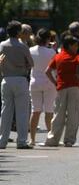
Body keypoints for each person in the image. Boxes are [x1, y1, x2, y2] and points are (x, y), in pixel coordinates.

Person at [44, 35, 79, 147]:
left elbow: (47, 71)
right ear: (69, 46)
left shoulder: (58, 57)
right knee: (73, 114)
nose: (77, 47)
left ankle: (53, 140)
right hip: (74, 87)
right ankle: (69, 140)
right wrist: (77, 76)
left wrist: (55, 82)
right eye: (75, 45)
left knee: (58, 114)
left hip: (61, 87)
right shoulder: (76, 57)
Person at [0, 21, 34, 149]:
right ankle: (21, 141)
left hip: (6, 79)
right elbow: (31, 63)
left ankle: (2, 140)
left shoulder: (2, 45)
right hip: (20, 79)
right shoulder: (23, 46)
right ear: (19, 32)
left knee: (5, 111)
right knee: (22, 112)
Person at [29, 29, 57, 146]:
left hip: (35, 82)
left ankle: (32, 139)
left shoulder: (30, 50)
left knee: (35, 111)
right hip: (49, 83)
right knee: (49, 111)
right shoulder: (52, 52)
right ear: (48, 39)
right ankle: (50, 137)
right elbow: (55, 68)